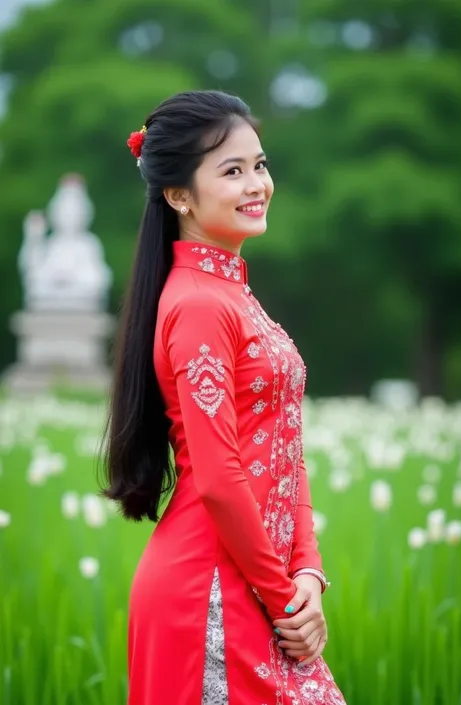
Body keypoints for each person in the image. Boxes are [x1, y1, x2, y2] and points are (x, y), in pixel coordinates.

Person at [100, 90, 346, 705]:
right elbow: (215, 474)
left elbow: (286, 448)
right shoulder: (202, 304)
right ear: (179, 195)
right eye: (232, 171)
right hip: (210, 592)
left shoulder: (232, 295)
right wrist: (284, 593)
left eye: (259, 165)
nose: (256, 184)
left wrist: (309, 571)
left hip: (261, 582)